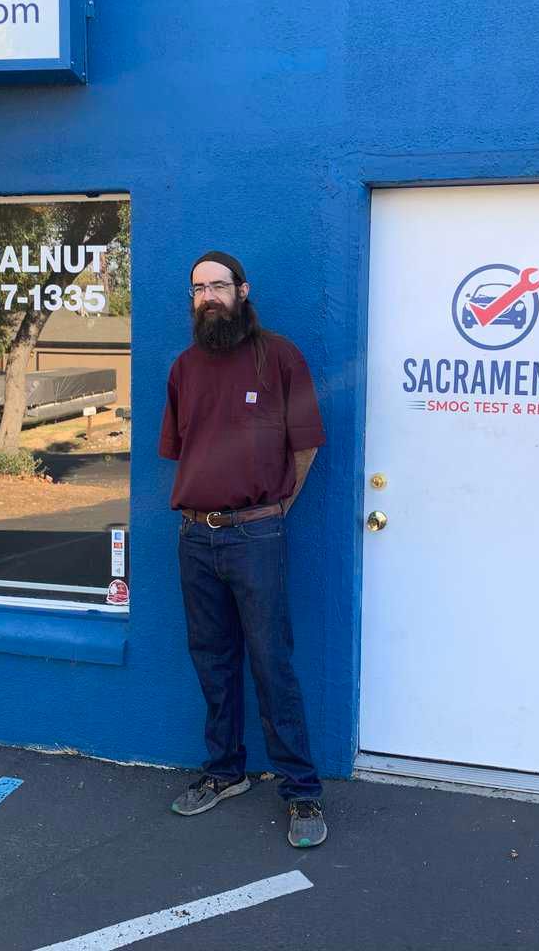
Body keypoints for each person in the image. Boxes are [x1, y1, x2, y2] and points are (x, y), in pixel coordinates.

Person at [158, 250, 328, 848]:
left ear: (243, 290)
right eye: (198, 287)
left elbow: (306, 444)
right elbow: (183, 449)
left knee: (271, 663)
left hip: (257, 534)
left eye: (218, 286)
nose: (208, 296)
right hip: (195, 537)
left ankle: (302, 792)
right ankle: (224, 773)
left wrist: (277, 508)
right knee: (212, 659)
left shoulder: (279, 358)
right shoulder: (183, 368)